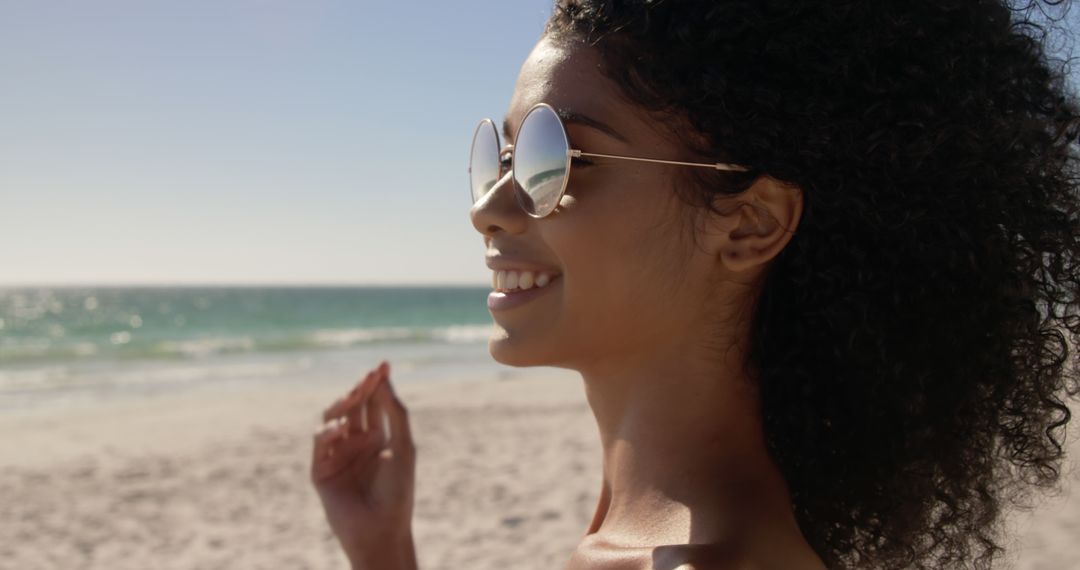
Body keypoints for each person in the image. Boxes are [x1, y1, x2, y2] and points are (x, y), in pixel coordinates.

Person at [310, 1, 1080, 568]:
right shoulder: (655, 528)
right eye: (503, 155)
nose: (487, 209)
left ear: (749, 225)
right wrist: (383, 549)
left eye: (559, 160)